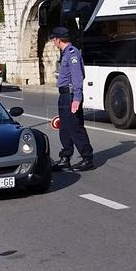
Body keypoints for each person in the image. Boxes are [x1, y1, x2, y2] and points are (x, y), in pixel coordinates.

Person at [50, 26, 94, 171]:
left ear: (58, 40)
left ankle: (87, 158)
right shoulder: (64, 53)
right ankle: (65, 157)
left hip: (70, 96)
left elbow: (77, 77)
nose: (53, 42)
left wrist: (77, 98)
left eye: (53, 39)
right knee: (64, 128)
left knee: (75, 127)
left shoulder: (72, 53)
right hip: (64, 95)